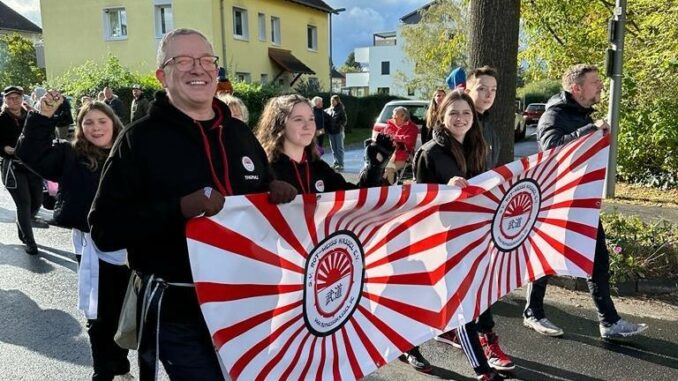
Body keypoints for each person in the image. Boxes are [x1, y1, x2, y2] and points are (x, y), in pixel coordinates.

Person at [88, 28, 297, 381]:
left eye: (206, 60)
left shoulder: (240, 134)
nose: (197, 69)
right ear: (162, 75)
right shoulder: (138, 140)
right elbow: (105, 230)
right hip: (178, 312)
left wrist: (274, 191)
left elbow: (259, 201)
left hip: (252, 304)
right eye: (182, 60)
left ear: (216, 71)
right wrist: (177, 208)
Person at [254, 94, 439, 373]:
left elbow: (354, 201)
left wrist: (374, 167)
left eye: (310, 119)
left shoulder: (318, 167)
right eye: (298, 120)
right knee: (286, 358)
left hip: (322, 282)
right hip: (281, 284)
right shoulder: (263, 170)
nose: (308, 126)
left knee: (324, 356)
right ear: (279, 125)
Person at [525, 64, 648, 339]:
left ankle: (609, 322)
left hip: (581, 200)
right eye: (595, 83)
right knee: (546, 257)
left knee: (598, 260)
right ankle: (533, 313)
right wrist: (591, 130)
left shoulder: (580, 114)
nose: (600, 87)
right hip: (554, 201)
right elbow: (552, 149)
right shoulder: (553, 114)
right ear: (576, 88)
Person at [16, 95, 131, 381]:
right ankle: (103, 372)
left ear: (114, 124)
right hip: (92, 246)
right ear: (80, 127)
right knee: (100, 314)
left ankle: (120, 365)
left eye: (102, 121)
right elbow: (30, 153)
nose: (95, 127)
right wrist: (42, 116)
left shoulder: (130, 152)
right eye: (88, 122)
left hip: (132, 246)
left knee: (127, 311)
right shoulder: (70, 155)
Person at [414, 90, 501, 381]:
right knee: (460, 304)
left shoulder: (478, 146)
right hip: (442, 239)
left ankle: (410, 345)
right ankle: (483, 370)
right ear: (442, 116)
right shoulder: (429, 152)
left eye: (466, 113)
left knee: (462, 299)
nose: (460, 118)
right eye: (453, 113)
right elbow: (419, 202)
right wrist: (446, 187)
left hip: (473, 235)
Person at [0, 85, 42, 255]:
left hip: (32, 166)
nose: (14, 100)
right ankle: (30, 242)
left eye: (17, 97)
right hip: (12, 167)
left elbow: (42, 135)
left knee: (36, 203)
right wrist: (5, 148)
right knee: (23, 204)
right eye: (10, 98)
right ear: (5, 100)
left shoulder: (30, 116)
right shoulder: (1, 119)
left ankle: (21, 223)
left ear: (22, 99)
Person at [382, 106, 418, 184]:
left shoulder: (412, 127)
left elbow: (409, 140)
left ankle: (388, 190)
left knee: (388, 169)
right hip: (387, 154)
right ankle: (382, 187)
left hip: (403, 156)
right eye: (393, 115)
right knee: (377, 169)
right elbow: (387, 135)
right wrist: (399, 138)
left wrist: (395, 137)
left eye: (395, 115)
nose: (393, 117)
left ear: (404, 116)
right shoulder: (390, 124)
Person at [326, 94, 346, 171]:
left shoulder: (341, 109)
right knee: (333, 148)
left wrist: (338, 125)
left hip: (338, 132)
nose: (332, 102)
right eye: (331, 101)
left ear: (337, 101)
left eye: (333, 101)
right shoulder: (329, 109)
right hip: (331, 132)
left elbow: (344, 121)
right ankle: (336, 163)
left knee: (339, 148)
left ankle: (341, 164)